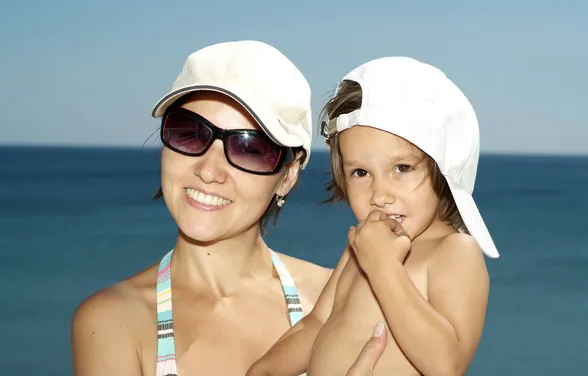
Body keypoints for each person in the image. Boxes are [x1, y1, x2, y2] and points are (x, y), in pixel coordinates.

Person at [70, 40, 337, 375]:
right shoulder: (113, 321)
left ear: (288, 175)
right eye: (189, 133)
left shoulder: (334, 301)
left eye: (249, 147)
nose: (208, 170)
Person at [247, 56, 500, 376]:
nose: (380, 195)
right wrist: (265, 370)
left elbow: (447, 363)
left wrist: (383, 266)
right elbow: (318, 323)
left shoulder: (453, 251)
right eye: (361, 172)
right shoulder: (360, 247)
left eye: (402, 168)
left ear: (442, 167)